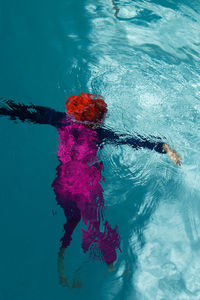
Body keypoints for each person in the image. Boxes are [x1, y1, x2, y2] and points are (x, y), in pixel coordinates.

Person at [0, 93, 182, 287]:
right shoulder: (100, 134)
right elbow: (133, 141)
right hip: (87, 189)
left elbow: (26, 113)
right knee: (95, 225)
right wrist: (166, 148)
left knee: (71, 221)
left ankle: (61, 261)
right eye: (103, 117)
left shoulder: (61, 120)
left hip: (62, 185)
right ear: (96, 123)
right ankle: (111, 265)